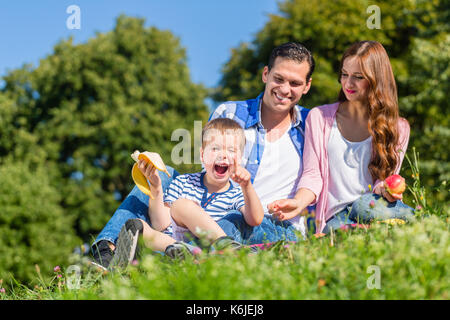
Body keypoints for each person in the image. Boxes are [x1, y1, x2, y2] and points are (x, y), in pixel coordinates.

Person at [92, 42, 315, 268]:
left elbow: (316, 175)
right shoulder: (229, 112)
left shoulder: (312, 123)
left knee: (225, 220)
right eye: (279, 79)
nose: (285, 89)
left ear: (307, 86)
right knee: (163, 174)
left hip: (265, 221)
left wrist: (299, 203)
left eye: (295, 83)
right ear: (265, 74)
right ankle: (106, 252)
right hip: (219, 213)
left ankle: (182, 256)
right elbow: (209, 171)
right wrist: (161, 191)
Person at [267, 40, 415, 235]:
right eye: (344, 74)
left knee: (365, 206)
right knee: (351, 219)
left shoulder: (398, 128)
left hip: (375, 210)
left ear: (376, 79)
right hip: (338, 218)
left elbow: (383, 180)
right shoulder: (320, 118)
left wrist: (386, 188)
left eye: (358, 77)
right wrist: (297, 203)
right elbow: (313, 175)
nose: (348, 83)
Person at [109, 118, 264, 267]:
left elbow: (255, 219)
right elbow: (160, 224)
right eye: (215, 148)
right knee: (137, 226)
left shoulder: (236, 192)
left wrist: (247, 186)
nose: (223, 155)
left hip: (208, 246)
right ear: (202, 155)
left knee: (182, 205)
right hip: (172, 245)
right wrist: (156, 187)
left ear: (240, 158)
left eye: (231, 150)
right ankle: (142, 259)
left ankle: (225, 245)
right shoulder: (184, 182)